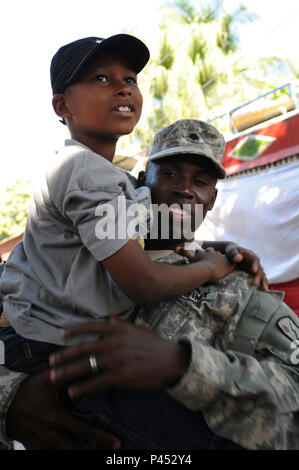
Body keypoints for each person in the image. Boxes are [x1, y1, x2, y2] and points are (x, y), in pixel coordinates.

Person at [1, 119, 298, 450]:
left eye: (200, 182)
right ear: (142, 182)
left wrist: (184, 366)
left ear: (212, 199)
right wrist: (9, 398)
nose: (184, 189)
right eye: (169, 173)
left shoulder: (238, 290)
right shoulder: (74, 256)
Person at [0, 34, 244, 350]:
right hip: (51, 344)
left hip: (54, 333)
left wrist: (223, 246)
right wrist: (210, 267)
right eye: (101, 78)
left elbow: (142, 238)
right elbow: (143, 282)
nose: (124, 88)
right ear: (64, 105)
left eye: (130, 79)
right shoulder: (83, 169)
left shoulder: (112, 178)